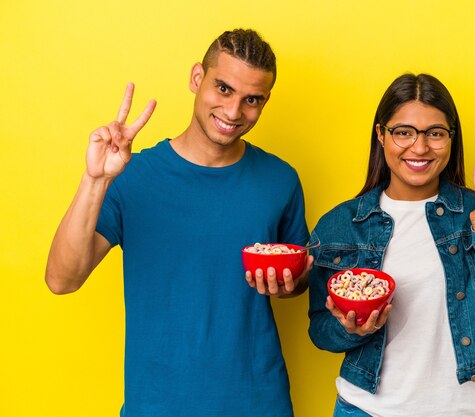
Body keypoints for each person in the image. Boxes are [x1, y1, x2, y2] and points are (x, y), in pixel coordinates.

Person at [45, 29, 311, 417]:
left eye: (252, 99)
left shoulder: (280, 180)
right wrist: (97, 179)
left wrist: (290, 283)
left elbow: (299, 277)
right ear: (196, 79)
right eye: (223, 88)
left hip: (258, 402)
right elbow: (61, 280)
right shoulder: (133, 177)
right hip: (156, 404)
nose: (234, 112)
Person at [307, 73, 475, 416]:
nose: (419, 148)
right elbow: (320, 330)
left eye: (435, 134)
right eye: (403, 132)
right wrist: (350, 329)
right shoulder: (341, 226)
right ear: (381, 134)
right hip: (364, 409)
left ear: (451, 139)